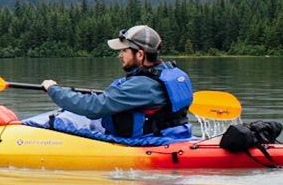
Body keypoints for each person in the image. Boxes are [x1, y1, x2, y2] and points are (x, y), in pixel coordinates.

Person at [24, 25, 194, 141]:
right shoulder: (172, 73)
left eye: (124, 51)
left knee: (69, 120)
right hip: (176, 135)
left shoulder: (142, 86)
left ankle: (24, 131)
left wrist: (54, 90)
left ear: (140, 54)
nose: (120, 56)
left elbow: (93, 107)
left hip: (151, 142)